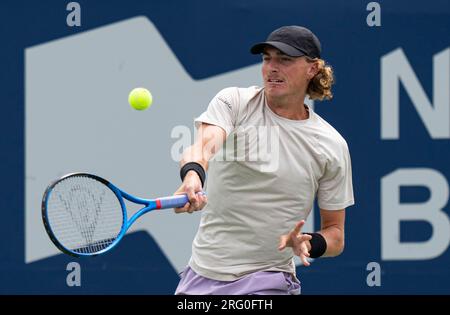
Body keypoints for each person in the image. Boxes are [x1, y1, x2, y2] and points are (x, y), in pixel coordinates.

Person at [173, 25, 354, 295]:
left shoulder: (331, 145)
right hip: (201, 275)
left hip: (269, 280)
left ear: (312, 69)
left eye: (285, 59)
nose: (272, 67)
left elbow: (335, 234)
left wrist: (310, 243)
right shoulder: (234, 101)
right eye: (267, 58)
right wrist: (192, 176)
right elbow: (203, 146)